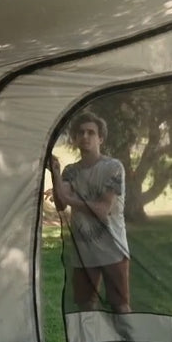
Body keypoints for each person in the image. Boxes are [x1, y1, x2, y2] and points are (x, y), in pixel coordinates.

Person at [50, 111, 131, 313]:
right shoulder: (71, 171)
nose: (85, 136)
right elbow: (60, 204)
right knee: (85, 309)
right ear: (75, 138)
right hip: (83, 252)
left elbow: (103, 210)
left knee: (120, 308)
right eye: (81, 132)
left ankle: (128, 336)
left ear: (100, 138)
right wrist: (55, 173)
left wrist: (68, 198)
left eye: (91, 132)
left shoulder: (113, 167)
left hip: (113, 249)